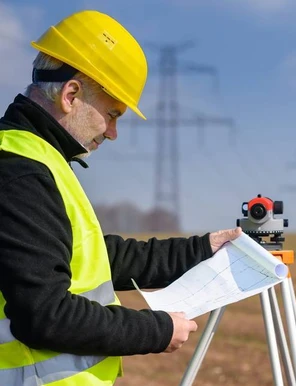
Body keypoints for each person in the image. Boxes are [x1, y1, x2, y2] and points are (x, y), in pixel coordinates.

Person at [0, 10, 242, 385]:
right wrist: (156, 330)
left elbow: (98, 256)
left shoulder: (36, 157)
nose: (113, 133)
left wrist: (203, 249)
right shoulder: (20, 171)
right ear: (71, 94)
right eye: (112, 114)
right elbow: (45, 314)